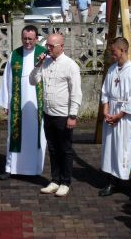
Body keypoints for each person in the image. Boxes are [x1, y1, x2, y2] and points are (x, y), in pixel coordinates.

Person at [30, 33, 82, 197]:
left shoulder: (70, 65)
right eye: (48, 46)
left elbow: (76, 92)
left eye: (52, 46)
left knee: (65, 149)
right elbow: (33, 81)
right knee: (52, 148)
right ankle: (55, 179)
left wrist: (72, 115)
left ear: (61, 46)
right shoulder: (44, 63)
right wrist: (38, 64)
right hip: (48, 112)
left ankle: (65, 182)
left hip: (63, 114)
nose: (48, 49)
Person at [0, 25, 47, 180]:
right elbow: (7, 79)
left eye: (30, 39)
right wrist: (6, 102)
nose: (27, 42)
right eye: (24, 38)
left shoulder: (43, 55)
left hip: (37, 104)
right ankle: (11, 168)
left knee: (37, 135)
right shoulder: (15, 54)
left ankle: (35, 170)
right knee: (14, 134)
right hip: (17, 103)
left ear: (36, 39)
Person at [98, 37, 131, 197]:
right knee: (110, 148)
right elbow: (105, 92)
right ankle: (111, 181)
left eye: (114, 51)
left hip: (125, 116)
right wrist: (106, 109)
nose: (112, 54)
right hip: (111, 112)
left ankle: (129, 181)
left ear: (122, 50)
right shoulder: (112, 70)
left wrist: (119, 115)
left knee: (124, 148)